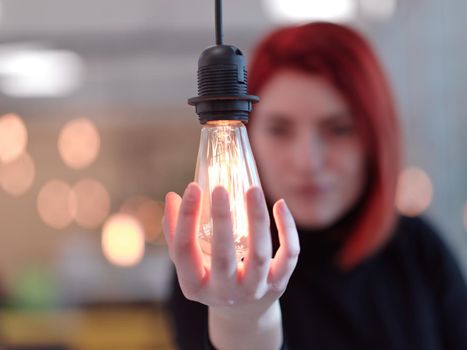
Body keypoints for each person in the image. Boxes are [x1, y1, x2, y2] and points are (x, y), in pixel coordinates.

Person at [163, 22, 467, 350]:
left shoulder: (417, 251)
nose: (308, 161)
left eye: (338, 129)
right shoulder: (215, 267)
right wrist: (242, 320)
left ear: (375, 140)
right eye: (280, 129)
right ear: (249, 136)